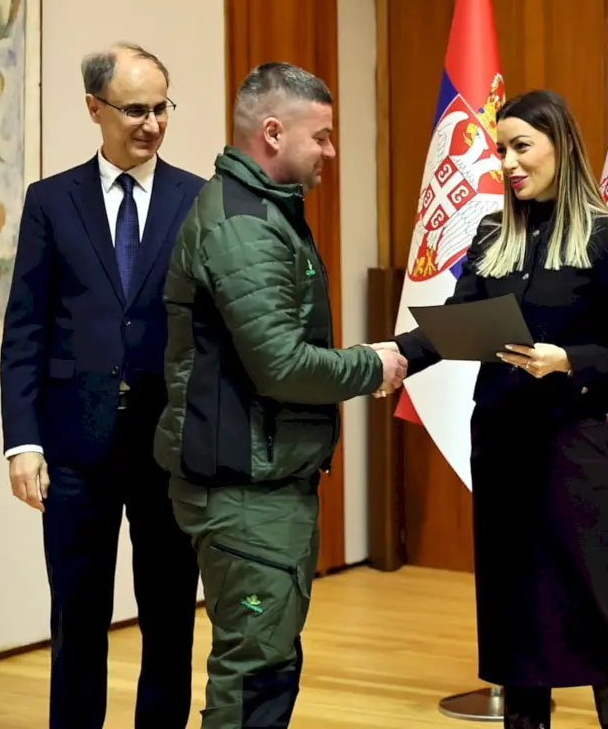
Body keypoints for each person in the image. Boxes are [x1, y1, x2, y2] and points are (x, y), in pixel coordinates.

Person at [372, 89, 608, 729]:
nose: (507, 163)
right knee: (515, 613)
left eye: (521, 146)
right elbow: (455, 324)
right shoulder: (492, 233)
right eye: (501, 149)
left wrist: (568, 360)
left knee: (594, 610)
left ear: (561, 146)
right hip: (500, 445)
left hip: (569, 450)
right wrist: (392, 356)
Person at [153, 61, 408, 729]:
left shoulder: (264, 211)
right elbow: (282, 365)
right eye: (320, 136)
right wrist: (371, 366)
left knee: (267, 664)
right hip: (244, 489)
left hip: (262, 481)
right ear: (272, 132)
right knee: (253, 676)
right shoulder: (244, 225)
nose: (330, 151)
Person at [0, 42, 204, 729]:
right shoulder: (51, 202)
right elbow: (25, 330)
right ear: (95, 108)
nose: (152, 123)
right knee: (78, 620)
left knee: (170, 619)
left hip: (167, 447)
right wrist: (22, 442)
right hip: (73, 450)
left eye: (161, 108)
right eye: (135, 110)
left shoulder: (197, 199)